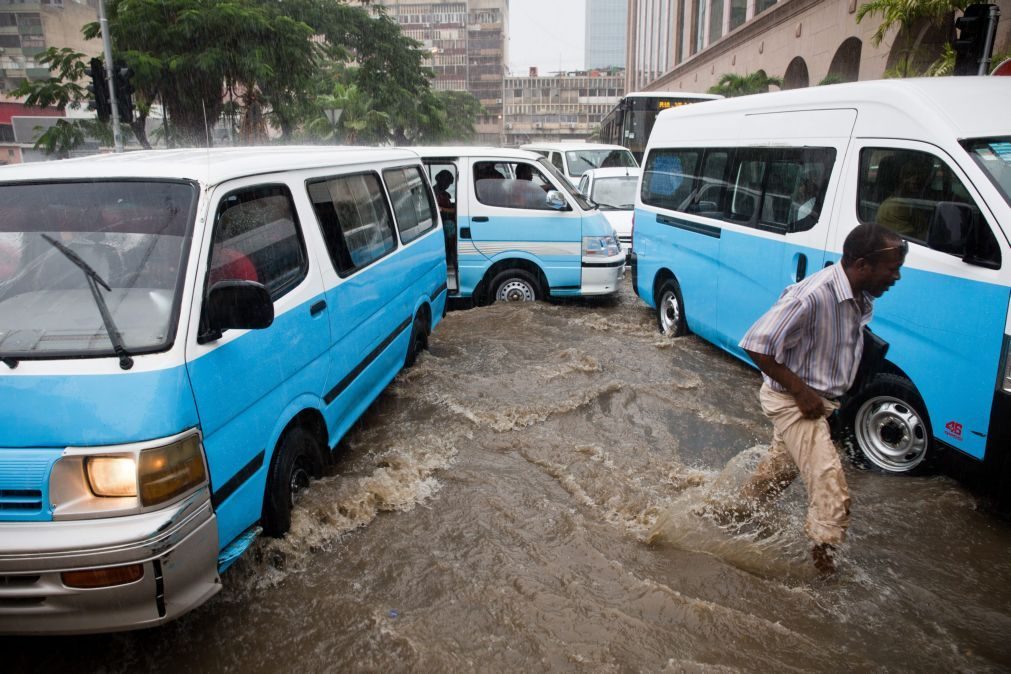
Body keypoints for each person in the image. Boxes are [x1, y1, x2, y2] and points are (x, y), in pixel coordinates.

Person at [730, 223, 906, 574]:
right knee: (831, 487)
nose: (897, 277)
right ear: (862, 265)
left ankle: (729, 514)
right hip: (793, 402)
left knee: (775, 476)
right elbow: (756, 344)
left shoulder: (859, 297)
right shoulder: (813, 295)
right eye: (892, 269)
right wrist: (801, 392)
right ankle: (824, 579)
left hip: (820, 402)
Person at [875, 155, 933, 238]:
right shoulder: (894, 207)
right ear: (899, 178)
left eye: (919, 173)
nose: (916, 178)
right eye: (909, 174)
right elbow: (914, 240)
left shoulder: (911, 200)